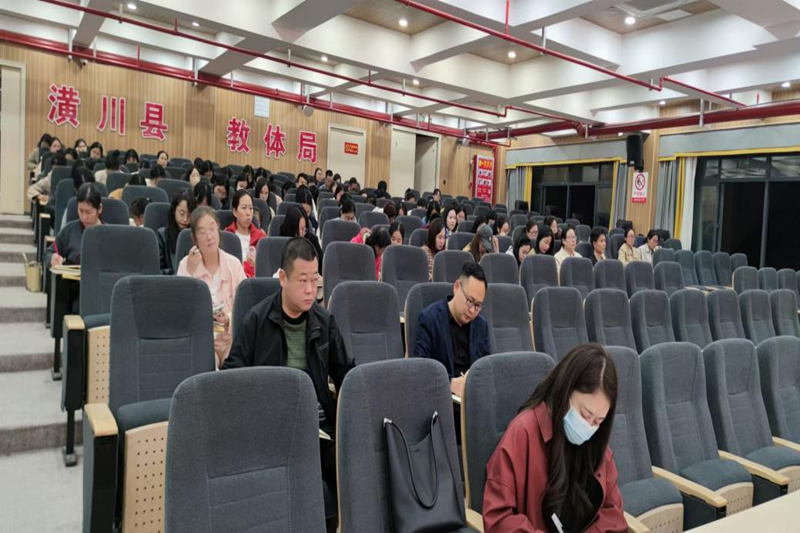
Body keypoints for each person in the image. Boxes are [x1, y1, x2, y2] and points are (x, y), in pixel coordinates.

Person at [224, 237, 353, 532]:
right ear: (283, 278)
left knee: (352, 463)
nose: (310, 289)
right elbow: (232, 379)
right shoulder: (256, 321)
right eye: (302, 280)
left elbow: (347, 373)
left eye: (315, 279)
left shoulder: (324, 322)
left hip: (318, 430)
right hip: (270, 430)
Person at [482, 344, 624, 533]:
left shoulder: (597, 443)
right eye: (584, 414)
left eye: (598, 421)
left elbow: (613, 514)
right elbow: (498, 518)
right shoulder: (523, 432)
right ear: (565, 390)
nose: (589, 427)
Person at [177, 207, 245, 367]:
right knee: (206, 366)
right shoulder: (186, 265)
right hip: (201, 340)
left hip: (230, 339)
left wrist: (228, 319)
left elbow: (245, 308)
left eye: (212, 228)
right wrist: (190, 272)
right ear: (194, 238)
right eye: (202, 232)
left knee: (235, 367)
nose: (209, 236)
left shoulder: (234, 264)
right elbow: (180, 309)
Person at [414, 262, 492, 397]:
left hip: (475, 398)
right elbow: (420, 371)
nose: (472, 310)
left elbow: (488, 367)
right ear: (456, 287)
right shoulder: (429, 319)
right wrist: (450, 383)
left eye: (478, 305)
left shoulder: (481, 325)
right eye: (470, 301)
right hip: (440, 397)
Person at [45, 183, 104, 312]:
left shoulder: (110, 233)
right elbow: (49, 251)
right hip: (77, 292)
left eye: (88, 212)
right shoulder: (70, 230)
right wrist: (52, 258)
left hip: (103, 291)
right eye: (80, 211)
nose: (84, 217)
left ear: (99, 209)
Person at [225, 189, 266, 278]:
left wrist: (257, 266)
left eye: (250, 208)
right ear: (235, 212)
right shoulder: (226, 236)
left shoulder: (262, 238)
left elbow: (266, 270)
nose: (248, 213)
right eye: (244, 208)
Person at [158, 192, 196, 275]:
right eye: (182, 213)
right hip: (170, 279)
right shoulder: (162, 235)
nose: (185, 219)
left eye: (189, 215)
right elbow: (158, 269)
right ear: (174, 211)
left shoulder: (196, 235)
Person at [280, 205, 323, 273]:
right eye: (297, 230)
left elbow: (321, 268)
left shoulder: (312, 241)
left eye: (303, 229)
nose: (301, 234)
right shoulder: (280, 240)